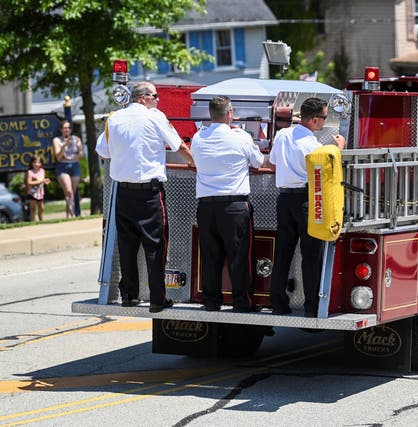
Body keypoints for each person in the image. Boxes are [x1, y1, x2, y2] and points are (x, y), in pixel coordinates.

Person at [96, 81, 195, 313]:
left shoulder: (114, 118)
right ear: (142, 98)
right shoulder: (155, 117)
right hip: (149, 194)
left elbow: (103, 151)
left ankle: (129, 295)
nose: (158, 100)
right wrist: (195, 163)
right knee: (155, 246)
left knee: (127, 245)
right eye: (155, 96)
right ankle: (157, 298)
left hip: (123, 192)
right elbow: (177, 145)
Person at [268, 97, 345, 317]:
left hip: (283, 199)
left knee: (283, 252)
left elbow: (273, 162)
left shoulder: (282, 135)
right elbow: (327, 170)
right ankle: (311, 308)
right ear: (313, 120)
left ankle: (278, 303)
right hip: (306, 199)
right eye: (323, 117)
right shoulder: (313, 145)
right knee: (311, 254)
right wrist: (337, 148)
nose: (324, 121)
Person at [191, 96, 264, 312]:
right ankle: (242, 303)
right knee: (238, 257)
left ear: (210, 115)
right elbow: (258, 162)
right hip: (234, 206)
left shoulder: (198, 138)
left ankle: (211, 301)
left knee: (210, 257)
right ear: (230, 114)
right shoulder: (240, 137)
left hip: (205, 206)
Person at [52, 120, 84, 218]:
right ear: (61, 129)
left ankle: (69, 215)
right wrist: (65, 145)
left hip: (75, 166)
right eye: (65, 128)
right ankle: (72, 214)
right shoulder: (57, 140)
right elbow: (58, 157)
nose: (67, 130)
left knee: (71, 193)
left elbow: (81, 153)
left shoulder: (76, 139)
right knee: (69, 191)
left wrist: (73, 158)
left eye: (69, 128)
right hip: (62, 167)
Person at [25, 154, 50, 221]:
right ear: (31, 163)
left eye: (38, 162)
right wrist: (40, 181)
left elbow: (42, 180)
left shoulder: (42, 171)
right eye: (35, 162)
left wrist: (45, 181)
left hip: (40, 192)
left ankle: (41, 221)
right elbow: (29, 182)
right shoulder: (30, 172)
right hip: (32, 193)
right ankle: (33, 222)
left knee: (41, 208)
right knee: (33, 209)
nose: (37, 164)